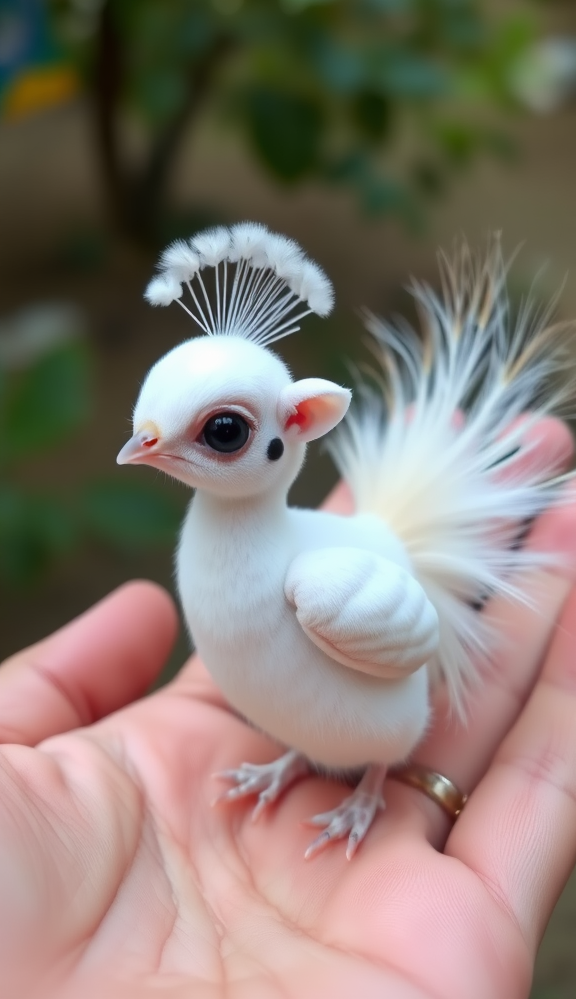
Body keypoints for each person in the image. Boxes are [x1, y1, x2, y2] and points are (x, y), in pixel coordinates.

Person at [1, 419, 576, 999]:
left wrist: (371, 783)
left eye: (223, 433)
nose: (144, 447)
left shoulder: (328, 583)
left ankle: (371, 781)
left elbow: (399, 669)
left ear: (297, 424)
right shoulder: (219, 559)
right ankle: (302, 754)